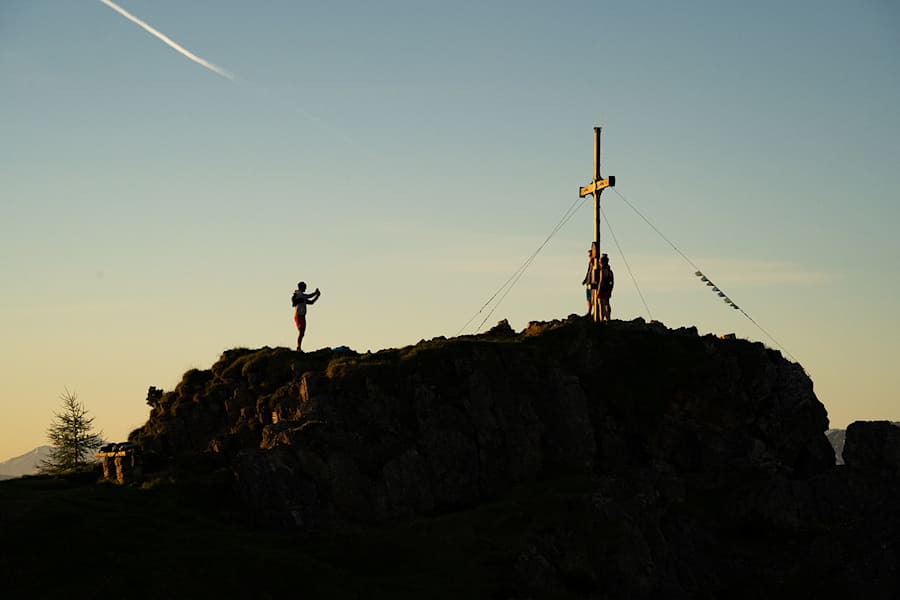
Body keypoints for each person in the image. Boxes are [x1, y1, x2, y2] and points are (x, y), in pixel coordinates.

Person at [291, 281, 321, 351]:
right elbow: (308, 296)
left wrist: (317, 296)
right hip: (298, 315)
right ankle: (298, 347)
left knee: (302, 333)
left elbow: (311, 302)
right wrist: (315, 293)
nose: (306, 289)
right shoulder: (298, 294)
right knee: (301, 331)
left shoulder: (302, 296)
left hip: (303, 316)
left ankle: (299, 347)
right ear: (302, 287)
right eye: (305, 287)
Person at [581, 243, 599, 317]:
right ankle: (589, 312)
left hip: (593, 282)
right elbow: (588, 272)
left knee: (593, 298)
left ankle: (595, 312)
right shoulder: (590, 263)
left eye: (590, 255)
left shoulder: (595, 263)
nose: (589, 256)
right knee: (588, 298)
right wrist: (585, 280)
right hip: (588, 282)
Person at [598, 253, 614, 321]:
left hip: (602, 289)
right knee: (607, 304)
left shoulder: (602, 271)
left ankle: (602, 319)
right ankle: (608, 318)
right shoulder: (610, 271)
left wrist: (598, 290)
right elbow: (612, 282)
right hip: (608, 289)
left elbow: (601, 281)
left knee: (601, 305)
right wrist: (610, 290)